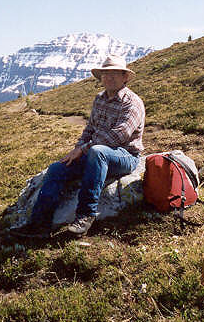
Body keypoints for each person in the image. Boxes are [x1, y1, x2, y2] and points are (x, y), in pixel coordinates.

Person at [11, 54, 145, 238]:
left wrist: (83, 149)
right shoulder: (100, 99)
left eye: (114, 73)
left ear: (125, 77)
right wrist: (78, 148)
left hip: (125, 156)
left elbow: (118, 135)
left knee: (98, 152)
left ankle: (86, 215)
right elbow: (89, 129)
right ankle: (39, 224)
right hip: (95, 153)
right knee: (57, 168)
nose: (109, 77)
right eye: (106, 74)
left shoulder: (132, 102)